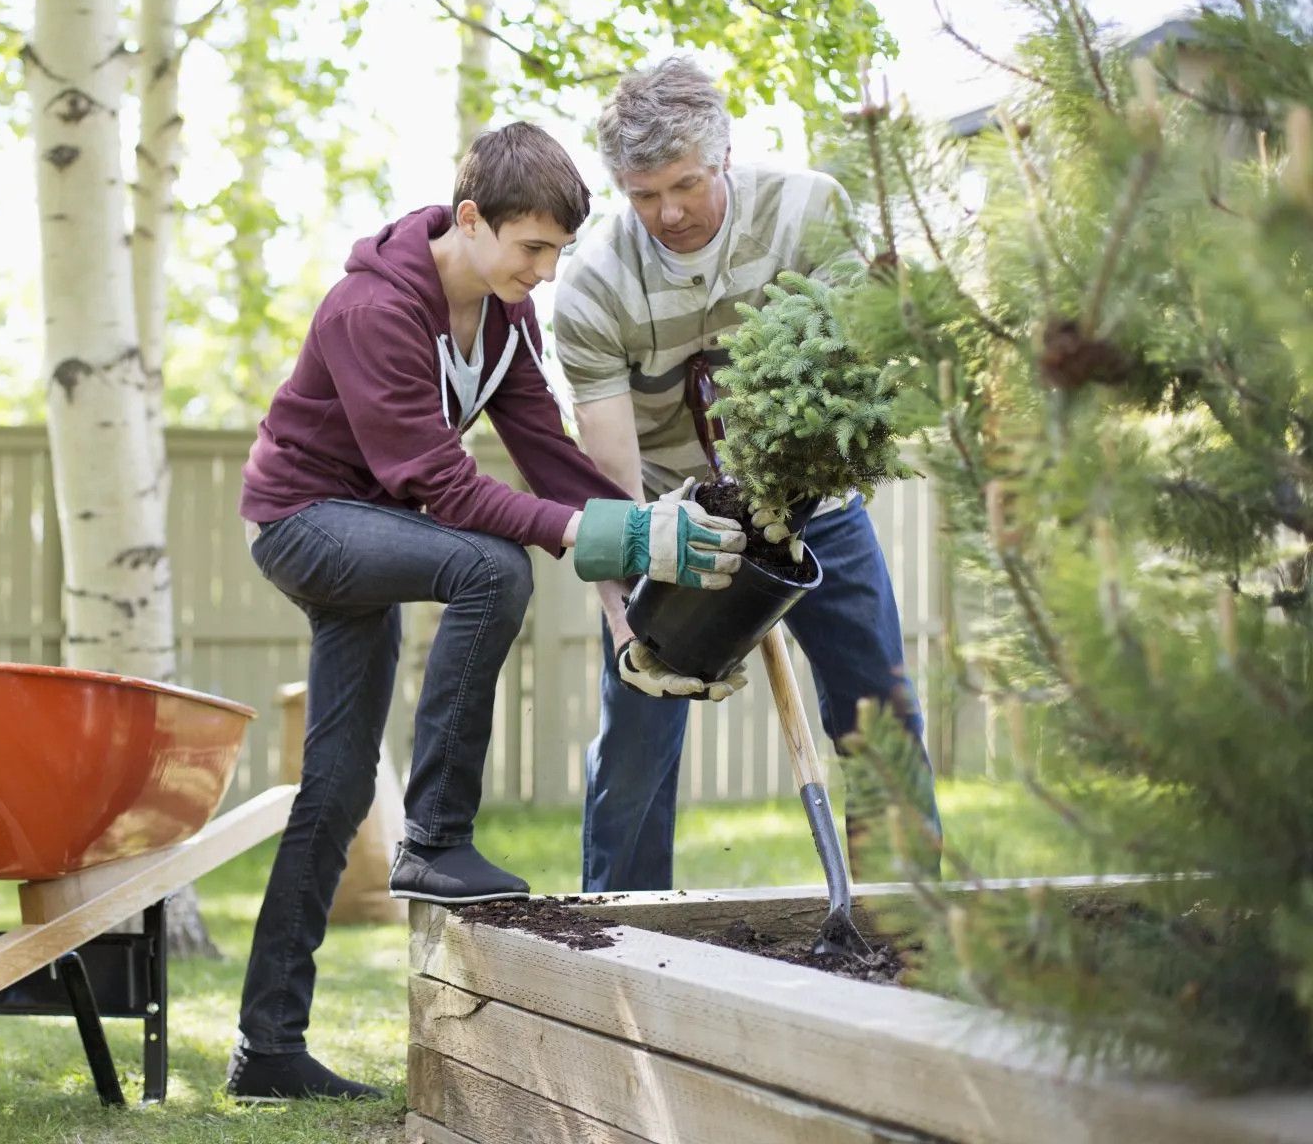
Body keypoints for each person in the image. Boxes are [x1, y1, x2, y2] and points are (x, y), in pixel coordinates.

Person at [225, 122, 746, 1102]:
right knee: (493, 567)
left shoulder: (504, 319)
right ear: (471, 220)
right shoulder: (371, 309)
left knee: (334, 787)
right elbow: (437, 483)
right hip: (301, 522)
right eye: (532, 248)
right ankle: (437, 834)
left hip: (368, 531)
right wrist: (621, 540)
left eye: (558, 251)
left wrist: (638, 566)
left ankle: (268, 1046)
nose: (546, 272)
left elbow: (546, 454)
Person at [552, 55, 944, 896]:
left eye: (686, 184)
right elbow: (612, 477)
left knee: (881, 711)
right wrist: (627, 623)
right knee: (635, 739)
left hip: (813, 502)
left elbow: (849, 373)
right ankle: (621, 931)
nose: (668, 212)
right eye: (643, 193)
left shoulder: (808, 212)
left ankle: (907, 929)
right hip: (671, 518)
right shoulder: (592, 287)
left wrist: (778, 496)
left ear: (724, 155)